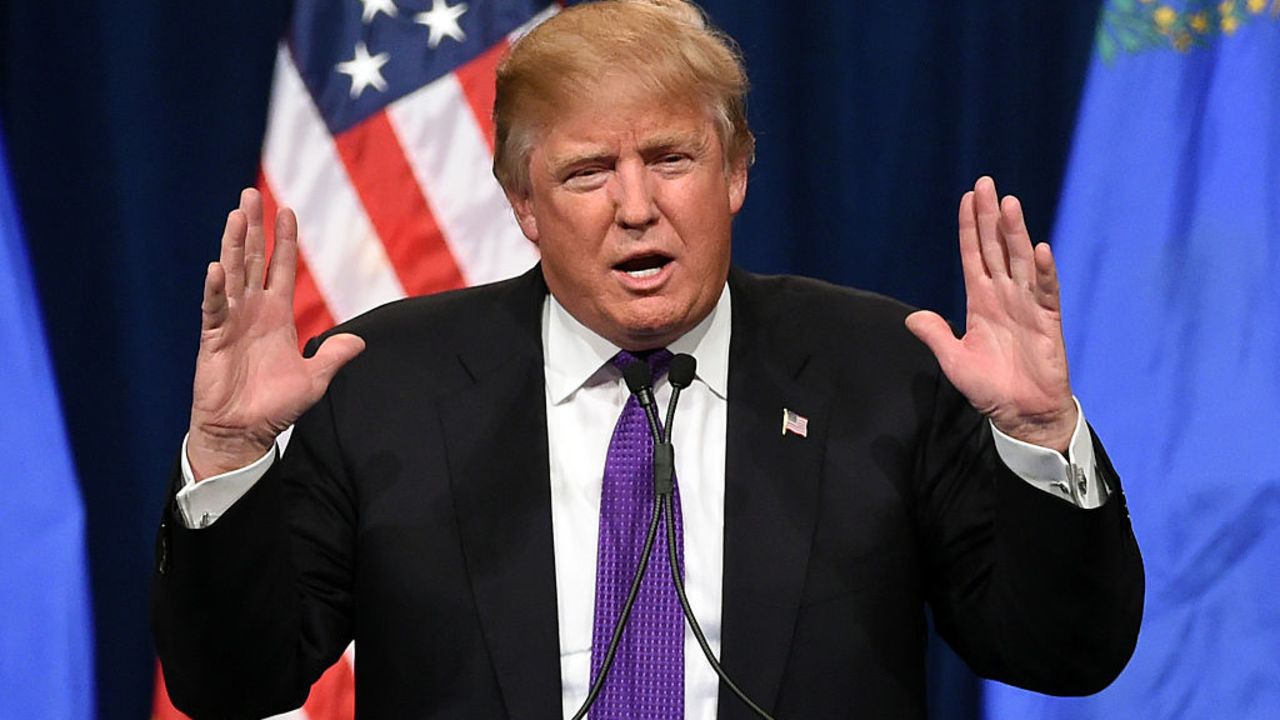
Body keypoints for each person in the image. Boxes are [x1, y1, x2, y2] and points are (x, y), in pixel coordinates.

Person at [152, 1, 1143, 718]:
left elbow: (1061, 655)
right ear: (524, 208)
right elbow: (234, 683)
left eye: (670, 159)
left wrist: (1036, 439)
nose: (636, 206)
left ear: (737, 173)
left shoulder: (879, 372)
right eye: (588, 172)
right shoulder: (384, 386)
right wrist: (232, 456)